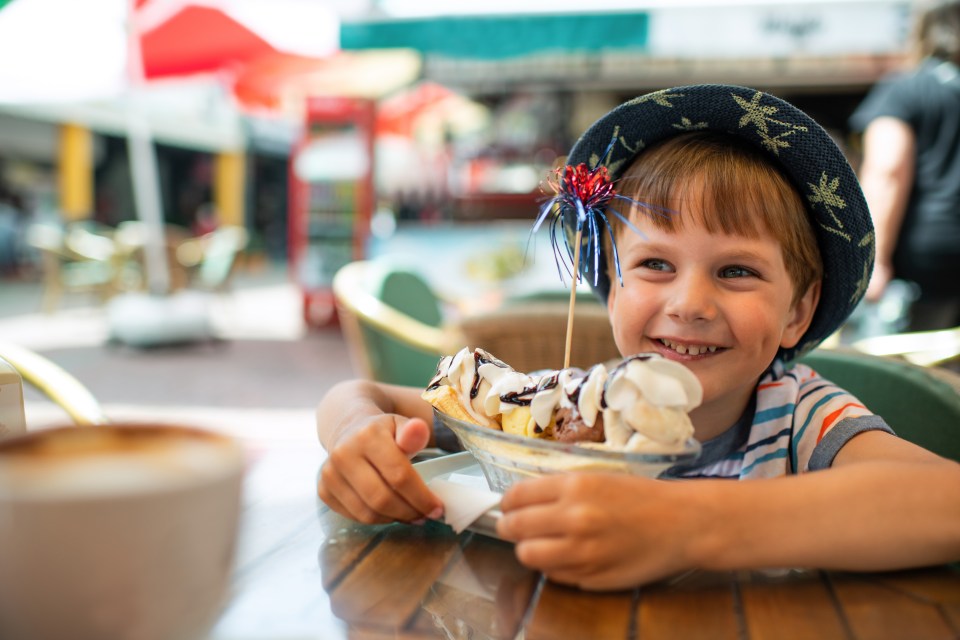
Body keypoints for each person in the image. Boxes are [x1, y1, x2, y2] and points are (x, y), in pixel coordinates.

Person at [316, 85, 960, 591]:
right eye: (655, 265)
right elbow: (366, 394)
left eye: (737, 271)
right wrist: (354, 437)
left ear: (798, 310)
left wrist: (690, 527)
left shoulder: (799, 418)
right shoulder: (572, 408)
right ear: (611, 284)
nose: (690, 304)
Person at [849, 0, 960, 331]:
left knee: (922, 371)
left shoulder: (906, 89)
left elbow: (889, 170)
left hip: (929, 259)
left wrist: (875, 259)